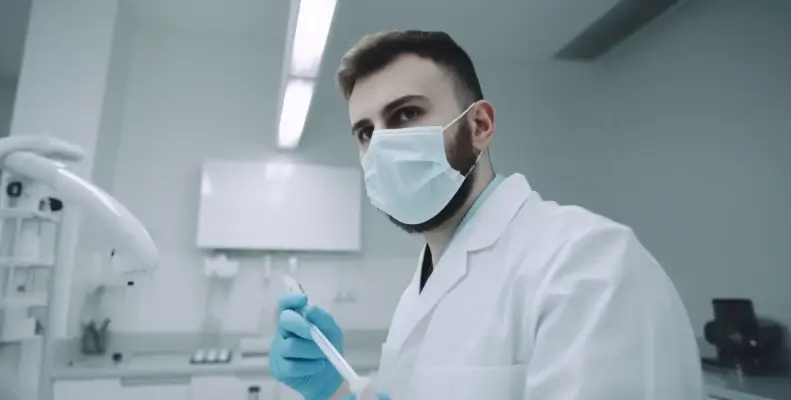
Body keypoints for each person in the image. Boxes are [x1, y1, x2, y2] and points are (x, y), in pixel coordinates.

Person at [269, 30, 705, 399]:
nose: (381, 146)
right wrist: (336, 390)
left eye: (406, 114)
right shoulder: (420, 292)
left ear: (479, 126)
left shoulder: (588, 266)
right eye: (366, 132)